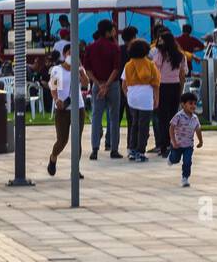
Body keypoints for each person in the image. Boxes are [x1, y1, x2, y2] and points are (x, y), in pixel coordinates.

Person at [84, 18, 123, 161]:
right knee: (114, 117)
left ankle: (94, 149)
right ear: (108, 32)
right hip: (112, 85)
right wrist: (107, 85)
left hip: (96, 85)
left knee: (96, 117)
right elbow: (116, 68)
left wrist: (99, 84)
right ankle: (114, 149)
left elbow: (87, 69)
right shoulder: (115, 47)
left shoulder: (90, 47)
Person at [46, 42, 87, 177]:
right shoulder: (57, 70)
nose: (72, 56)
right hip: (63, 108)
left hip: (78, 107)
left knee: (77, 139)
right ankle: (53, 157)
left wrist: (80, 70)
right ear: (64, 55)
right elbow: (53, 87)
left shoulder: (79, 68)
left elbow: (86, 83)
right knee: (62, 140)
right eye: (70, 53)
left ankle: (75, 169)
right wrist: (57, 99)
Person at [121, 39, 159, 163]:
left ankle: (132, 149)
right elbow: (156, 83)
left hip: (132, 96)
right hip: (145, 96)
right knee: (144, 125)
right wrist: (156, 98)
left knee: (134, 124)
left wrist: (128, 95)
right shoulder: (150, 64)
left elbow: (123, 84)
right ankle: (140, 151)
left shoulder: (128, 65)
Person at [150, 31, 186, 157]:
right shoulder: (180, 56)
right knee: (173, 117)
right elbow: (182, 75)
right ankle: (172, 143)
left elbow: (155, 71)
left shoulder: (160, 55)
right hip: (175, 86)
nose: (158, 43)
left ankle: (163, 146)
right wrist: (181, 90)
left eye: (160, 40)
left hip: (162, 87)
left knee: (162, 118)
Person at [167, 91, 203, 187]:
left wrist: (200, 141)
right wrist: (173, 141)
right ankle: (171, 158)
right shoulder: (179, 116)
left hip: (188, 146)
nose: (193, 106)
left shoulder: (195, 118)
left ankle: (185, 178)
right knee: (175, 160)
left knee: (187, 162)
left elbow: (198, 130)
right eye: (190, 103)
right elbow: (171, 127)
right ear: (183, 104)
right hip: (177, 145)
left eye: (195, 104)